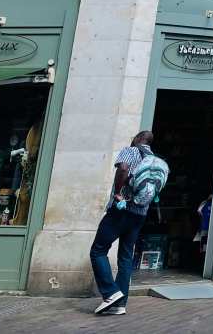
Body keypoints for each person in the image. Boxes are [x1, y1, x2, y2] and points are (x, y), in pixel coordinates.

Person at [90, 130, 159, 316]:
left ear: (137, 139)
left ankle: (110, 293)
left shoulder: (132, 150)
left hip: (122, 210)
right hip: (140, 214)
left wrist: (118, 193)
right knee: (126, 258)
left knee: (97, 250)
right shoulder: (154, 160)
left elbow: (123, 169)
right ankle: (120, 304)